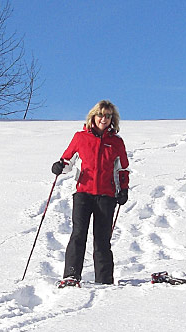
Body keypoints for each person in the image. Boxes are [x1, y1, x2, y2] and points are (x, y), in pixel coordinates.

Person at [51, 100, 130, 287]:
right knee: (78, 234)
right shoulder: (80, 137)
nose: (104, 119)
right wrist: (60, 167)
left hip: (107, 195)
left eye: (108, 115)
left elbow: (122, 169)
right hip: (83, 193)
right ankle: (71, 275)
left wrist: (123, 189)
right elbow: (67, 161)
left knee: (102, 239)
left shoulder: (116, 142)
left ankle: (104, 280)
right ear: (93, 116)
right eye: (101, 114)